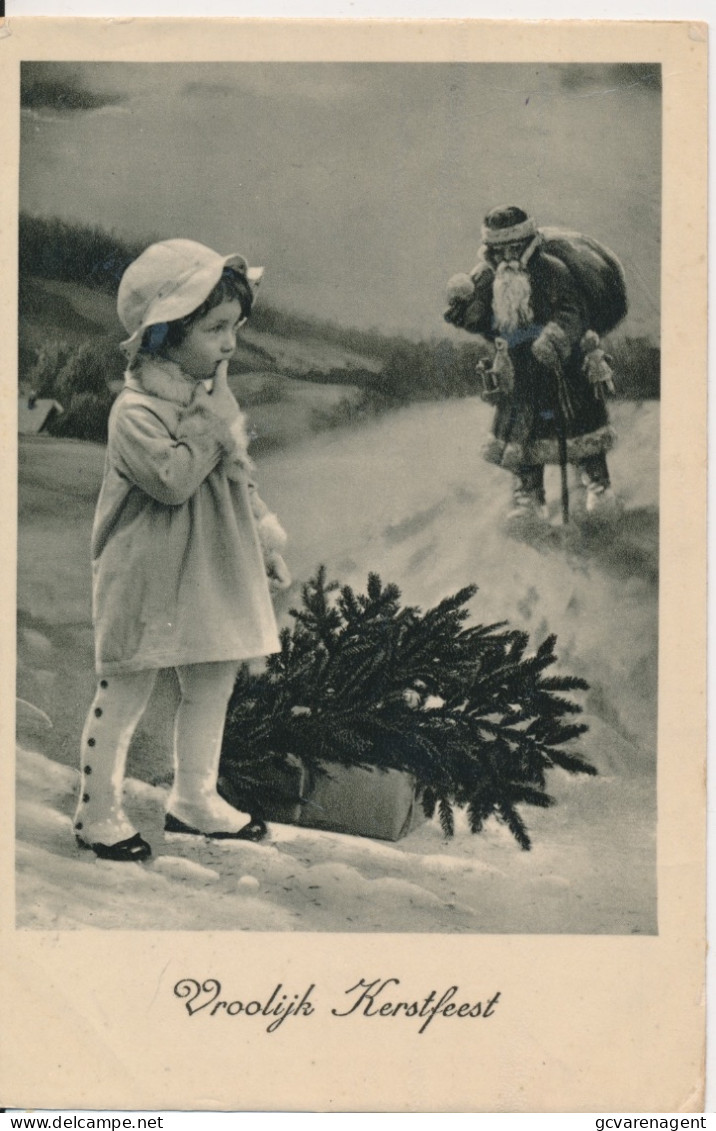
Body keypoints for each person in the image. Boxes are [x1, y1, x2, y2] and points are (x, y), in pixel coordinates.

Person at [73, 238, 290, 862]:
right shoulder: (135, 412)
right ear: (166, 334)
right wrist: (213, 428)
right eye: (216, 329)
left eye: (235, 329)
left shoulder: (209, 407)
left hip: (208, 569)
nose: (229, 345)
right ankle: (97, 813)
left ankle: (194, 798)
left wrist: (266, 539)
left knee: (212, 679)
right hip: (147, 574)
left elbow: (237, 478)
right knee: (128, 687)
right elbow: (172, 480)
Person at [444, 205, 618, 519]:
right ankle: (528, 498)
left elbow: (571, 311)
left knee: (580, 427)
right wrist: (467, 312)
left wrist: (553, 338)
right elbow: (483, 319)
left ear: (528, 244)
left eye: (514, 247)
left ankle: (598, 487)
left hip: (560, 364)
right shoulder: (486, 277)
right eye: (501, 249)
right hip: (519, 369)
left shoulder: (550, 269)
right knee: (523, 436)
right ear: (491, 249)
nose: (508, 255)